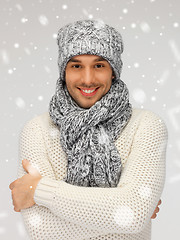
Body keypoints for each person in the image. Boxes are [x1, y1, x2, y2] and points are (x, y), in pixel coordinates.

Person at [9, 19, 167, 240]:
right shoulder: (36, 130)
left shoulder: (146, 125)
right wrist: (123, 212)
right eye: (76, 65)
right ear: (63, 71)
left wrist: (40, 190)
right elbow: (42, 229)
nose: (87, 79)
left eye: (99, 65)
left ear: (113, 71)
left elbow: (133, 214)